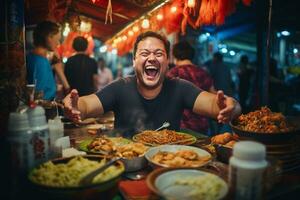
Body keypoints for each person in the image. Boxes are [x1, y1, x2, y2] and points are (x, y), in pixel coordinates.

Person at [63, 31, 241, 135]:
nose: (151, 58)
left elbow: (214, 104)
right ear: (134, 61)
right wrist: (75, 106)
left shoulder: (180, 87)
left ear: (167, 61)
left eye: (158, 54)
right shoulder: (120, 87)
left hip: (168, 165)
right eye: (144, 53)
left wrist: (232, 106)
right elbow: (86, 104)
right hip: (126, 165)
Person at [167, 41, 216, 134]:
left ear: (174, 55)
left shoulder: (173, 73)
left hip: (181, 127)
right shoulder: (203, 72)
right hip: (202, 125)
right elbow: (213, 95)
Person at [26, 20, 61, 100]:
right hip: (43, 109)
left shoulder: (31, 57)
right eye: (57, 39)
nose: (58, 43)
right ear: (49, 37)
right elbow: (39, 94)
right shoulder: (40, 62)